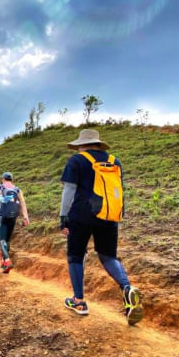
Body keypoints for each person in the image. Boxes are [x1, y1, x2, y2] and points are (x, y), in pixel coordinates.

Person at [59, 129, 143, 325]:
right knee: (108, 256)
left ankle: (78, 301)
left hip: (81, 215)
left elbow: (69, 190)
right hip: (108, 215)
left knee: (75, 255)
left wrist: (63, 217)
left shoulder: (77, 160)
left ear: (82, 144)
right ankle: (127, 289)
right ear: (98, 144)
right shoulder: (115, 161)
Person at [0, 172, 29, 273]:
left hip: (2, 215)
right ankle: (4, 264)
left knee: (2, 239)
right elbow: (23, 203)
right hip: (13, 216)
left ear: (3, 179)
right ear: (12, 180)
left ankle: (7, 260)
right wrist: (25, 217)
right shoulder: (17, 189)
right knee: (8, 239)